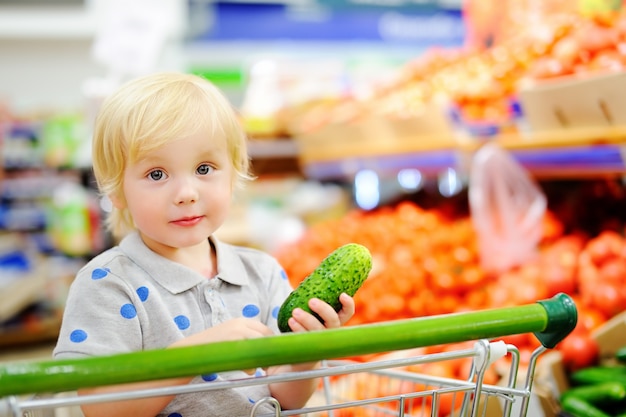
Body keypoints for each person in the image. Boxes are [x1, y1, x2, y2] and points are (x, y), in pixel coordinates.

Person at [53, 72, 356, 417]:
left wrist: (306, 353)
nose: (186, 194)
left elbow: (286, 394)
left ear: (234, 173)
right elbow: (101, 408)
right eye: (156, 174)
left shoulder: (262, 272)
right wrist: (196, 355)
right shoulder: (107, 285)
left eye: (204, 167)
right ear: (115, 189)